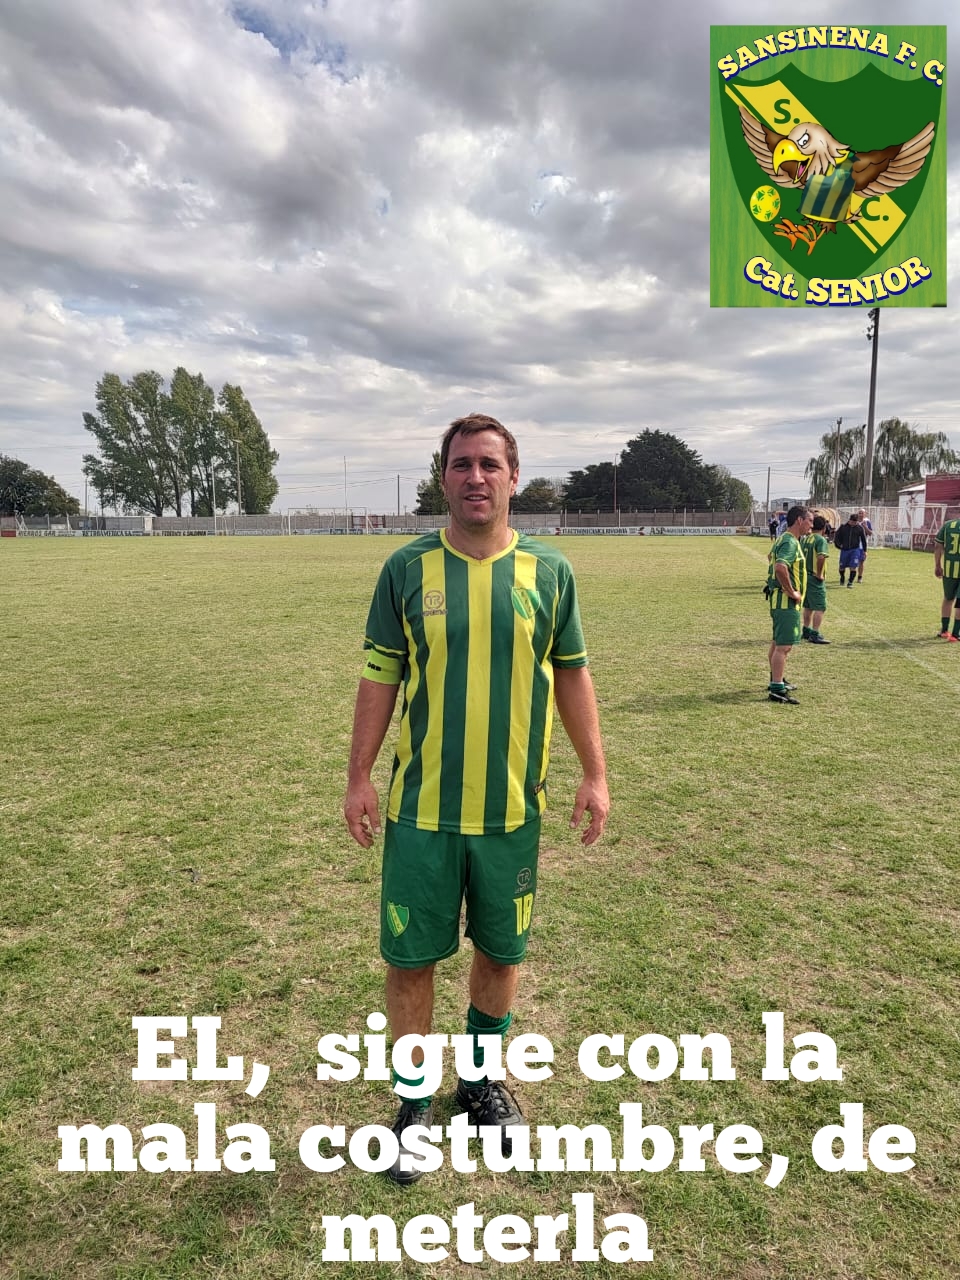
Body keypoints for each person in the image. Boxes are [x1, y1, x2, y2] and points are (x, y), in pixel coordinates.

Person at [343, 412, 609, 1184]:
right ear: (444, 478)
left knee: (500, 954)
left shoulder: (550, 573)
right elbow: (379, 676)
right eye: (461, 464)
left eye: (490, 464)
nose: (476, 477)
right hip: (421, 814)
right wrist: (359, 778)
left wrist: (595, 774)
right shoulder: (406, 569)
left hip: (510, 814)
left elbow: (572, 674)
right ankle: (412, 1107)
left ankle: (479, 1085)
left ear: (514, 477)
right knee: (411, 965)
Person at [766, 505, 812, 704]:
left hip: (780, 602)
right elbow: (780, 566)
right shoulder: (790, 541)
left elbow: (771, 557)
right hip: (786, 603)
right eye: (809, 521)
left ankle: (776, 680)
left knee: (778, 642)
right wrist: (791, 590)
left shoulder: (784, 538)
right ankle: (777, 689)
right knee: (783, 647)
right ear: (799, 520)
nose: (811, 525)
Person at [801, 514, 831, 644]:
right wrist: (819, 573)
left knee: (808, 606)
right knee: (820, 606)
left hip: (805, 576)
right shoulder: (820, 540)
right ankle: (815, 633)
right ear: (824, 528)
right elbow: (821, 557)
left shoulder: (806, 539)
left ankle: (806, 630)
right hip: (814, 577)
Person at [933, 514, 960, 641]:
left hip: (950, 570)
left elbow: (938, 546)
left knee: (948, 598)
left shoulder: (948, 525)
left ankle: (944, 631)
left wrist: (938, 565)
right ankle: (955, 634)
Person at [834, 513, 867, 587]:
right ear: (849, 520)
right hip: (844, 550)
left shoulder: (860, 528)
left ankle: (850, 582)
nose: (853, 524)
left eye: (855, 522)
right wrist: (839, 545)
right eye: (852, 522)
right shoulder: (843, 527)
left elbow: (863, 540)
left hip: (855, 550)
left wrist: (865, 551)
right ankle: (842, 577)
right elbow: (836, 537)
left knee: (853, 566)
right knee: (842, 567)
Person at [856, 508, 873, 583]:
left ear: (864, 514)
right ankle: (852, 575)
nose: (860, 514)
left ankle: (860, 577)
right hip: (854, 544)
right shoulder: (854, 521)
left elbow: (870, 533)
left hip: (862, 545)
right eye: (859, 513)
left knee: (861, 561)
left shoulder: (867, 521)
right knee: (853, 562)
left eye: (862, 513)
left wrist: (865, 526)